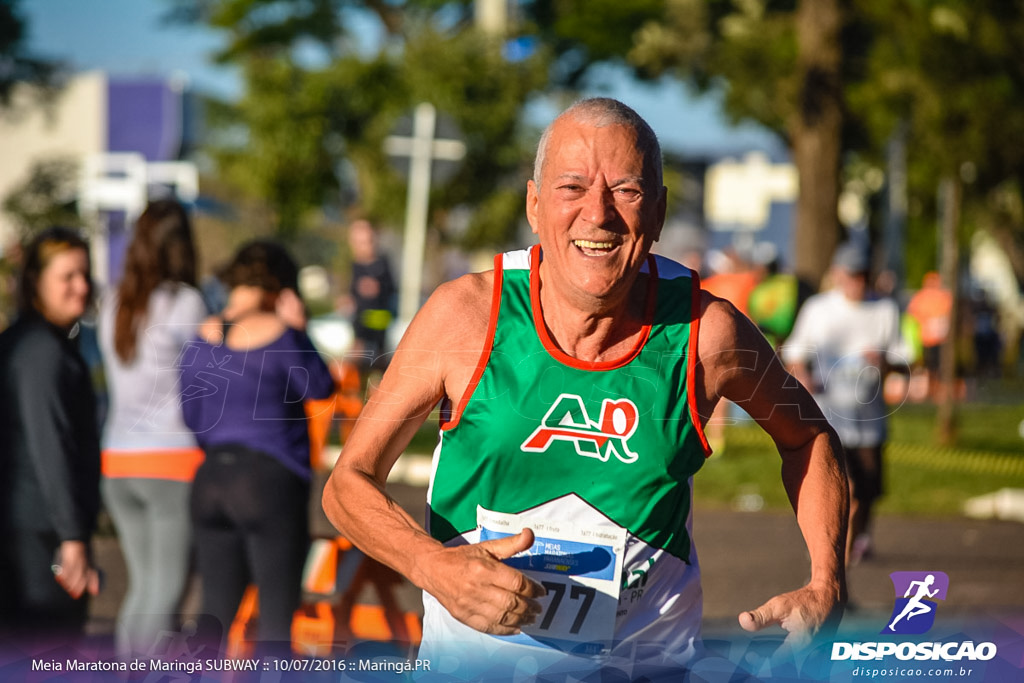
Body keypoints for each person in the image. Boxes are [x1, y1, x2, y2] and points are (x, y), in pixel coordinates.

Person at [322, 98, 849, 679]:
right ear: (534, 204)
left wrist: (827, 583)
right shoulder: (466, 317)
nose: (597, 215)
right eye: (572, 187)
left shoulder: (705, 333)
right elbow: (348, 484)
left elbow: (809, 437)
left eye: (626, 190)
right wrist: (431, 566)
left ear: (660, 211)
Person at [178, 240, 334, 654]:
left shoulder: (200, 339)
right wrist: (300, 331)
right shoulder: (282, 337)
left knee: (213, 612)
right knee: (276, 623)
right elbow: (320, 386)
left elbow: (193, 418)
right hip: (270, 482)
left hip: (211, 480)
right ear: (281, 287)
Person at [97, 199, 208, 658]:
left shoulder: (112, 301)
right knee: (164, 595)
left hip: (118, 462)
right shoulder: (186, 303)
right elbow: (208, 383)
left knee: (142, 591)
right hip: (172, 463)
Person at [0, 227, 102, 645]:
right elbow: (51, 446)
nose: (81, 287)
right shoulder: (41, 352)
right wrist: (72, 537)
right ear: (35, 282)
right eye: (67, 277)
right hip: (38, 537)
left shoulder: (25, 342)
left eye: (85, 274)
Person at [782, 242, 908, 566]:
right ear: (837, 275)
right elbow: (794, 355)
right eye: (852, 275)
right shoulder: (819, 309)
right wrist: (804, 380)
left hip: (869, 421)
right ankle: (833, 570)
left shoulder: (885, 309)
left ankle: (849, 553)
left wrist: (885, 361)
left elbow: (905, 358)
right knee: (845, 494)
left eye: (864, 276)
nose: (858, 282)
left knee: (864, 499)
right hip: (829, 418)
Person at [340, 219, 396, 374]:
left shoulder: (382, 264)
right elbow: (347, 292)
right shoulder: (352, 266)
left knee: (378, 358)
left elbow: (391, 289)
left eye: (368, 241)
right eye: (359, 242)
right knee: (357, 356)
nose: (364, 246)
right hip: (358, 323)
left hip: (378, 321)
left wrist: (378, 288)